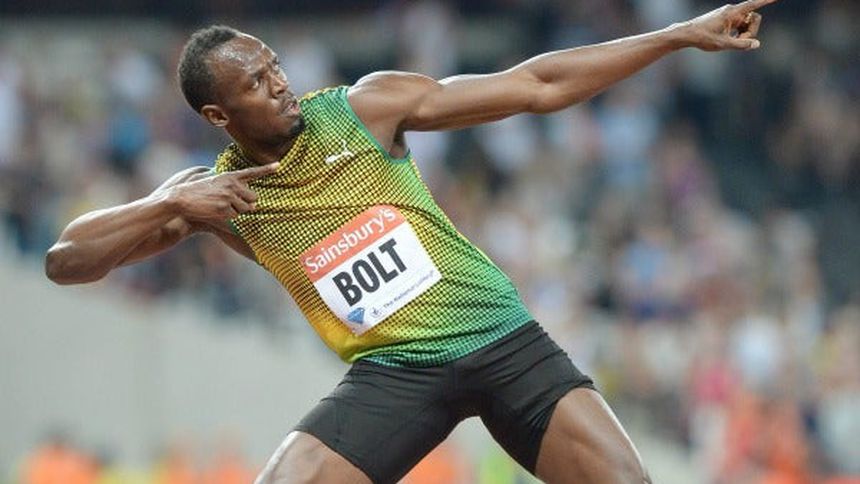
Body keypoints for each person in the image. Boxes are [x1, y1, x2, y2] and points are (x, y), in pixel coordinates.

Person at [45, 1, 778, 482]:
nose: (281, 84)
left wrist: (679, 35)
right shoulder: (213, 196)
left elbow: (537, 86)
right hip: (395, 373)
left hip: (500, 339)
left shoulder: (367, 108)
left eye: (276, 66)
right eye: (258, 84)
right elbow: (65, 261)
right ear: (217, 115)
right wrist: (169, 202)